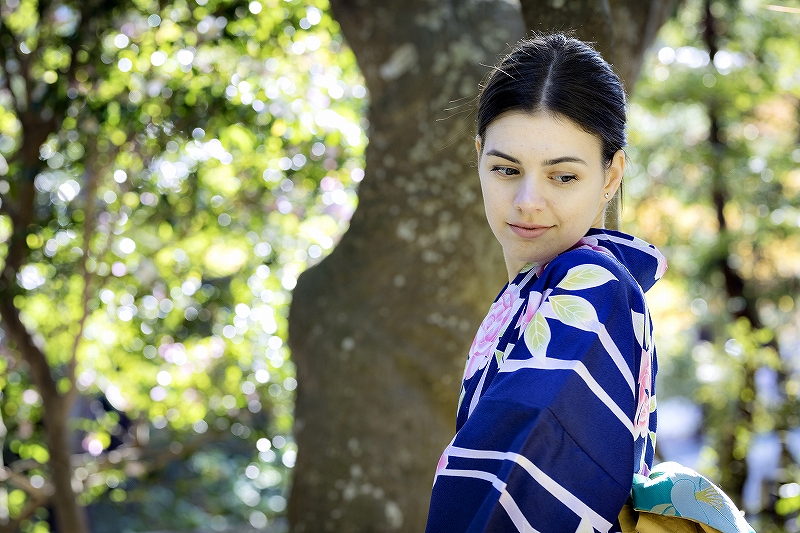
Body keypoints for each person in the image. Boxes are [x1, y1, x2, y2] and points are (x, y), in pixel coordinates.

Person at [424, 33, 666, 533]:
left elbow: (520, 491)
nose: (528, 201)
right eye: (506, 169)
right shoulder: (535, 290)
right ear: (479, 157)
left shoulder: (593, 289)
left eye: (563, 176)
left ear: (611, 175)